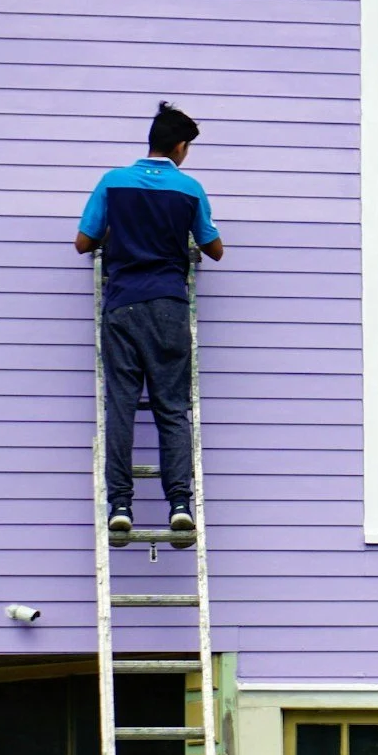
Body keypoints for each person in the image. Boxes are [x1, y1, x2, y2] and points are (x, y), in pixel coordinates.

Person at [75, 101, 224, 545]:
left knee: (120, 408)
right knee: (172, 409)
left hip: (122, 305)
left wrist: (118, 235)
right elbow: (214, 248)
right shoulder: (190, 188)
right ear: (179, 146)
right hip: (168, 307)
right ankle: (180, 505)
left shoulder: (112, 181)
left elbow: (84, 242)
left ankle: (120, 506)